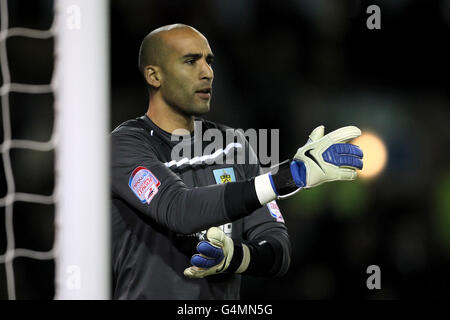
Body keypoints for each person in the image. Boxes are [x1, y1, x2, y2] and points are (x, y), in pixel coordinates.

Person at [111, 24, 364, 299]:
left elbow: (278, 248)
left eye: (209, 61)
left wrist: (236, 257)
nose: (207, 72)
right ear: (154, 75)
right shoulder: (125, 146)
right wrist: (285, 177)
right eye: (190, 61)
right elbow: (180, 211)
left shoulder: (233, 144)